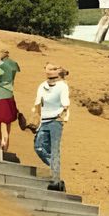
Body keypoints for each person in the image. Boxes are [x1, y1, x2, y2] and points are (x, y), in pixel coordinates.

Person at [33, 62, 70, 191]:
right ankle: (55, 171)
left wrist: (62, 115)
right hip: (44, 120)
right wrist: (36, 117)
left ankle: (55, 179)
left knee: (54, 149)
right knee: (39, 147)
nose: (49, 71)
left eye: (53, 69)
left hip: (55, 121)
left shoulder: (62, 86)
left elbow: (65, 103)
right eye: (48, 68)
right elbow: (38, 103)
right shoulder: (42, 86)